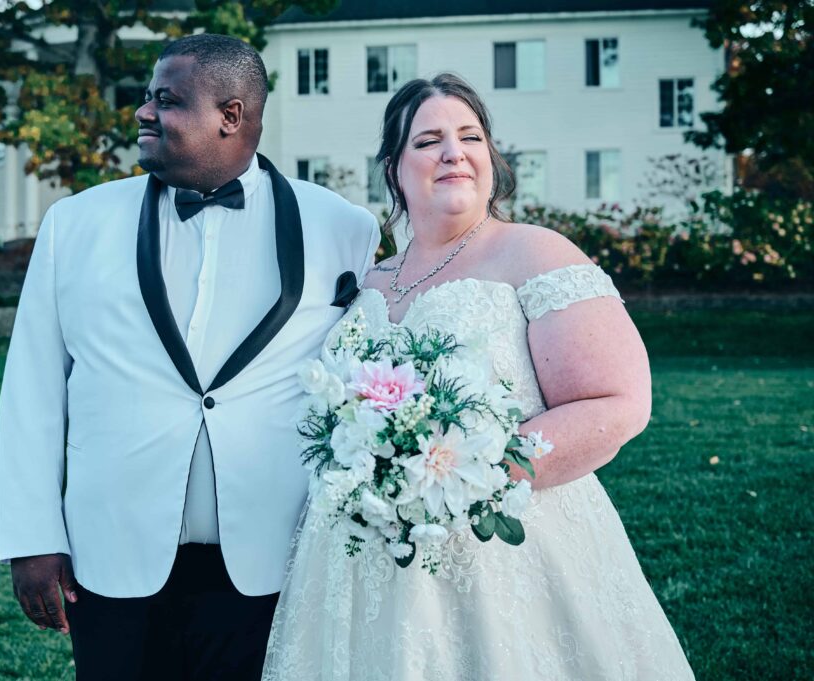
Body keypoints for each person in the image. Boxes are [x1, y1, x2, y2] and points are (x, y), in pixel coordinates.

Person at [262, 73, 695, 680]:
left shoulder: (536, 253)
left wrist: (465, 477)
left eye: (470, 136)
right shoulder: (371, 281)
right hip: (362, 561)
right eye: (428, 140)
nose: (452, 152)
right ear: (394, 167)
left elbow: (619, 402)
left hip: (503, 552)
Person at [0, 34, 380, 681]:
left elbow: (363, 380)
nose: (143, 112)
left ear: (231, 115)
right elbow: (32, 389)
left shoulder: (344, 228)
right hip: (112, 551)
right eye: (147, 98)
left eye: (166, 101)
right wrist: (33, 538)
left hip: (274, 554)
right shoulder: (73, 224)